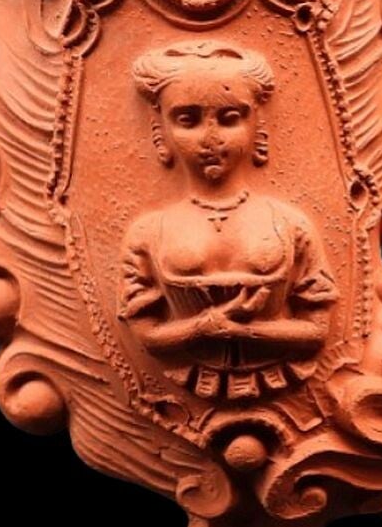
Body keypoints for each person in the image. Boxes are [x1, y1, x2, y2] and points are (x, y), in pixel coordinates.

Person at [117, 40, 338, 399]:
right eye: (187, 120)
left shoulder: (289, 224)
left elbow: (316, 330)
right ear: (161, 131)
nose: (211, 138)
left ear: (256, 125)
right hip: (184, 382)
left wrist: (241, 331)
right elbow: (147, 336)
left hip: (282, 377)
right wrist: (205, 327)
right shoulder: (148, 234)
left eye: (230, 118)